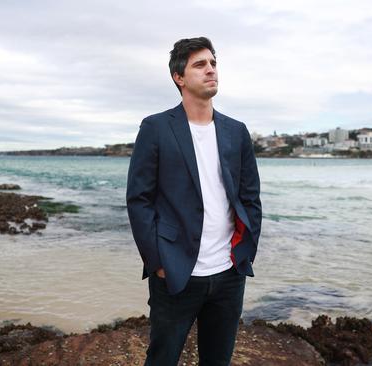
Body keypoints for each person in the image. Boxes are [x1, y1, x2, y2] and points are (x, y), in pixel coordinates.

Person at [126, 36, 262, 366]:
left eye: (213, 63)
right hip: (175, 273)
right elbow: (139, 199)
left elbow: (250, 197)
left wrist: (245, 252)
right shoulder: (156, 127)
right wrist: (157, 261)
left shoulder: (236, 131)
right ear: (179, 77)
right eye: (200, 65)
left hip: (229, 273)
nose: (210, 70)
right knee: (162, 359)